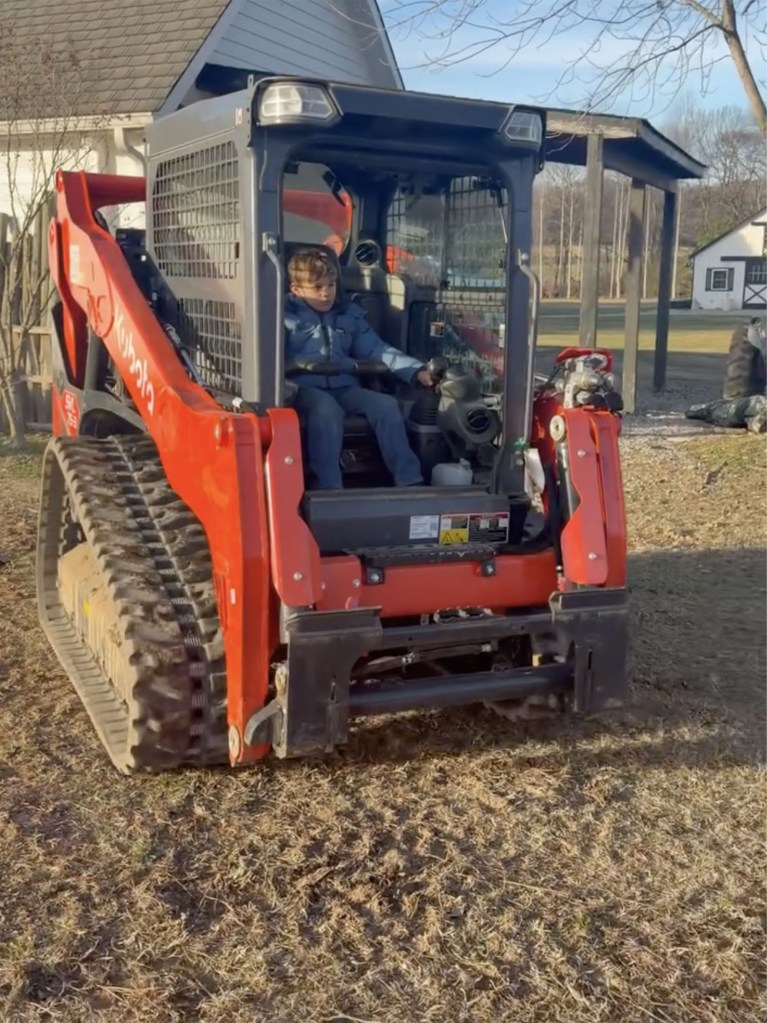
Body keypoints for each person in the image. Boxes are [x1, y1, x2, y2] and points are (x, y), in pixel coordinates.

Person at [284, 248, 432, 489]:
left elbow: (376, 349)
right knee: (326, 410)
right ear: (296, 290)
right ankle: (329, 489)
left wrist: (416, 371)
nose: (326, 293)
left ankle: (410, 481)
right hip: (303, 389)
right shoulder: (284, 317)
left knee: (386, 405)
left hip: (345, 386)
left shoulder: (348, 315)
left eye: (331, 285)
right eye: (317, 287)